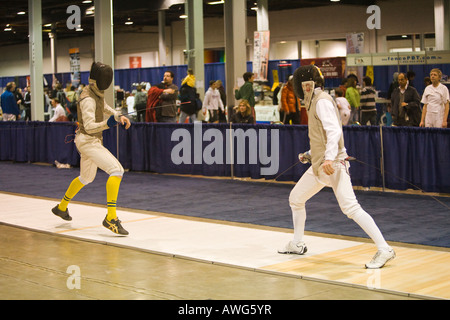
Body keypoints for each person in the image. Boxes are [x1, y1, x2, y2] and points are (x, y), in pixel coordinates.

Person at [278, 65, 395, 269]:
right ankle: (297, 243)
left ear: (306, 84)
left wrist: (330, 158)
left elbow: (334, 132)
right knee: (296, 199)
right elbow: (321, 137)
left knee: (350, 208)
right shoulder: (314, 101)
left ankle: (384, 249)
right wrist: (310, 154)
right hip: (321, 165)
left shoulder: (322, 101)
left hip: (333, 165)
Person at [51, 62, 131, 235]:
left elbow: (104, 107)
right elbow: (89, 126)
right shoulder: (87, 98)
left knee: (86, 177)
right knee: (116, 170)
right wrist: (108, 123)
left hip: (89, 140)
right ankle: (111, 218)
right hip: (88, 140)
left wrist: (118, 115)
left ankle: (61, 207)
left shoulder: (95, 93)